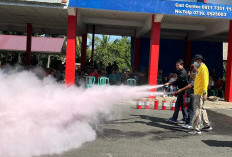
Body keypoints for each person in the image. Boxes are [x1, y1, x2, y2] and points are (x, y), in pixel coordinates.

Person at [189, 54, 212, 135]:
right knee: (202, 109)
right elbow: (199, 80)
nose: (194, 63)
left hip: (200, 93)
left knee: (197, 110)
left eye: (195, 61)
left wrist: (204, 92)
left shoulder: (203, 68)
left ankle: (197, 129)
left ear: (199, 60)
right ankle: (207, 125)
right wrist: (193, 77)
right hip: (199, 92)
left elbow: (205, 81)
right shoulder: (200, 68)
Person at [165, 59, 188, 123]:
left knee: (178, 104)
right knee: (182, 105)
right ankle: (185, 118)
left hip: (183, 90)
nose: (176, 66)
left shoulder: (183, 73)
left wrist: (169, 83)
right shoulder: (181, 71)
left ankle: (174, 118)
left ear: (182, 65)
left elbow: (177, 81)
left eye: (178, 65)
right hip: (182, 90)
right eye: (176, 65)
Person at [176, 64, 197, 129]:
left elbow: (191, 85)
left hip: (193, 94)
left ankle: (189, 123)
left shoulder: (195, 75)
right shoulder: (192, 75)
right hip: (190, 93)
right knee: (189, 108)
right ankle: (187, 121)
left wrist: (182, 89)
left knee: (191, 109)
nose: (188, 73)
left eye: (191, 68)